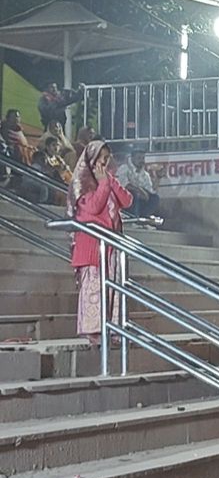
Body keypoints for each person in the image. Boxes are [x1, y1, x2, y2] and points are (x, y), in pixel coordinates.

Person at [68, 140, 133, 340]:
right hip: (92, 249)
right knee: (93, 290)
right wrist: (103, 183)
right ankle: (92, 331)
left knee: (112, 287)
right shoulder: (81, 185)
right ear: (92, 160)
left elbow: (127, 200)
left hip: (110, 247)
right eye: (102, 159)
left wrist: (110, 180)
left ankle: (112, 330)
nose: (105, 163)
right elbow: (94, 207)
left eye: (107, 159)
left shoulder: (106, 179)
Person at [117, 149, 161, 217]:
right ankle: (133, 218)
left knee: (155, 198)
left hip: (140, 199)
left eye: (143, 158)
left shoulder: (145, 174)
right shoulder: (124, 168)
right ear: (132, 158)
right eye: (139, 158)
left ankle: (143, 217)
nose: (141, 161)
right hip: (124, 199)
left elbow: (150, 191)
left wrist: (158, 178)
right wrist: (140, 191)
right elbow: (124, 185)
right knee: (135, 194)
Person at [31, 135, 71, 204]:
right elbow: (48, 171)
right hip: (45, 182)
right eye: (53, 145)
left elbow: (65, 171)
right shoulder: (41, 156)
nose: (56, 148)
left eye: (57, 145)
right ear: (47, 146)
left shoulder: (58, 159)